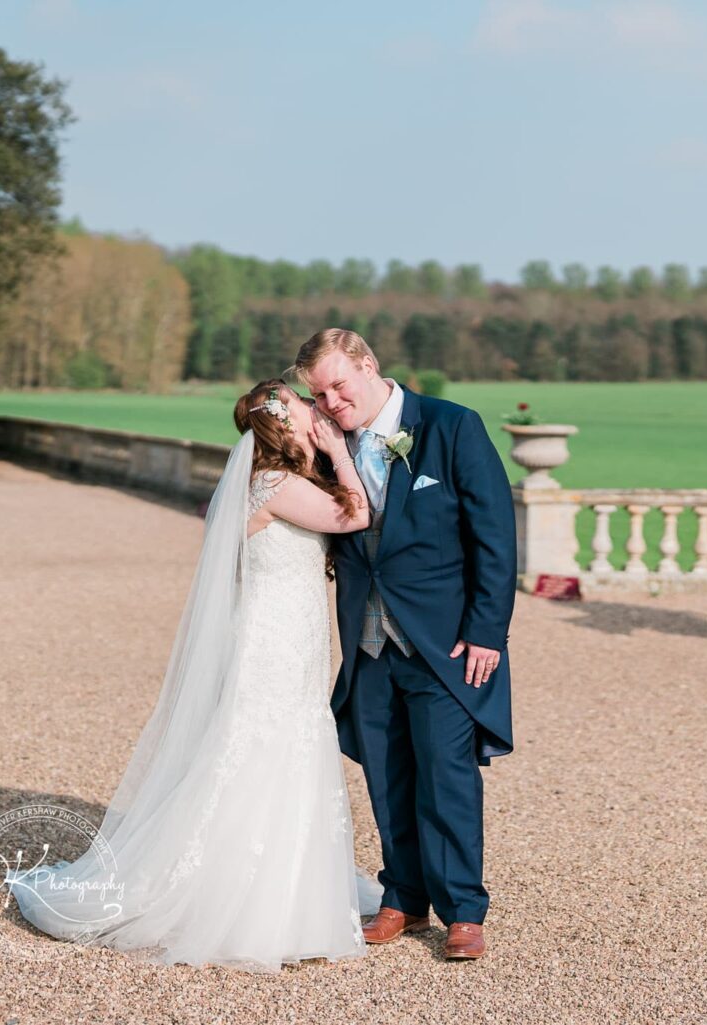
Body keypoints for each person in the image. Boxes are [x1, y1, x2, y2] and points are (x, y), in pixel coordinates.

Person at [7, 380, 384, 973]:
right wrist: (339, 450)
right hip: (274, 641)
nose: (316, 412)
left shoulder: (277, 482)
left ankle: (291, 887)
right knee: (265, 745)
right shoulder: (276, 484)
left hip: (293, 635)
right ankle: (249, 902)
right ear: (283, 426)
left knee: (286, 743)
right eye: (303, 406)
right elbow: (356, 514)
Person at [296, 328, 516, 961]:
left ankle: (463, 911)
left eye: (340, 384)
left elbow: (494, 538)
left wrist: (484, 632)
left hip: (445, 641)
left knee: (446, 774)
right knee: (386, 772)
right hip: (367, 640)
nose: (333, 401)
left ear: (369, 367)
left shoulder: (450, 426)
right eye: (320, 393)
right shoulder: (328, 442)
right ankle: (401, 897)